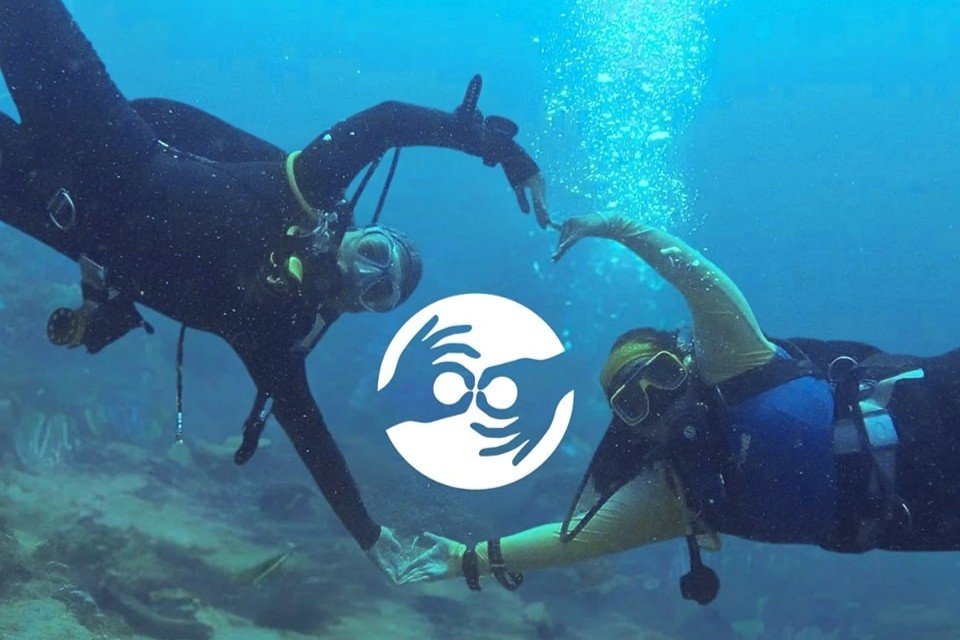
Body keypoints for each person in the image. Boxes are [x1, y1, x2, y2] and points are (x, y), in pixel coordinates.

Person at [0, 0, 550, 581]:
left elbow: (314, 442)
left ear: (362, 310)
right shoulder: (305, 193)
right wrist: (488, 144)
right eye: (374, 254)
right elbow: (387, 121)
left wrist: (373, 539)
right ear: (358, 233)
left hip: (50, 212)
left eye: (377, 292)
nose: (362, 275)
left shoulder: (273, 335)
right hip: (100, 139)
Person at [401, 211, 960, 602]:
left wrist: (616, 227)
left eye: (663, 376)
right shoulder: (674, 493)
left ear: (687, 364)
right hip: (924, 518)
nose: (660, 404)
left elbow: (697, 281)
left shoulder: (735, 361)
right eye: (634, 405)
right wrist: (467, 559)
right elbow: (575, 540)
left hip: (934, 406)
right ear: (632, 428)